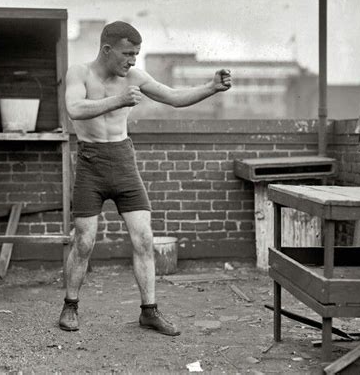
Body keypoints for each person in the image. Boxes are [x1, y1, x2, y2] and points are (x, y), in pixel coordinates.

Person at [59, 20, 231, 336]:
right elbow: (74, 108)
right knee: (84, 241)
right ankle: (70, 305)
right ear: (107, 49)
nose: (132, 61)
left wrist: (211, 87)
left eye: (136, 54)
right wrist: (119, 100)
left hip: (123, 160)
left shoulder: (134, 77)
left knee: (144, 238)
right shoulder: (79, 73)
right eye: (127, 54)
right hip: (91, 162)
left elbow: (173, 97)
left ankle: (149, 312)